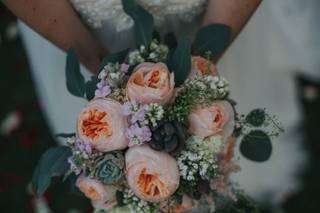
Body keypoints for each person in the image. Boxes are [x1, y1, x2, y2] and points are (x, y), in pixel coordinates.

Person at [4, 0, 307, 206]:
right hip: (75, 27)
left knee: (219, 119)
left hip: (214, 14)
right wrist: (92, 61)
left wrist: (201, 70)